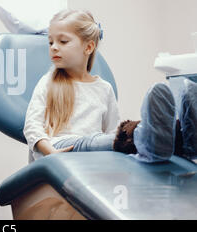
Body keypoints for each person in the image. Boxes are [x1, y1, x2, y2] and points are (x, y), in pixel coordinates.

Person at [24, 9, 196, 163]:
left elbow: (113, 133)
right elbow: (32, 126)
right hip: (60, 148)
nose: (54, 47)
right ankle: (153, 133)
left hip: (96, 149)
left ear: (89, 47)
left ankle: (184, 137)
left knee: (112, 139)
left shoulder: (103, 88)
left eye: (62, 41)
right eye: (50, 42)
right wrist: (50, 152)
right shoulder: (48, 83)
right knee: (94, 141)